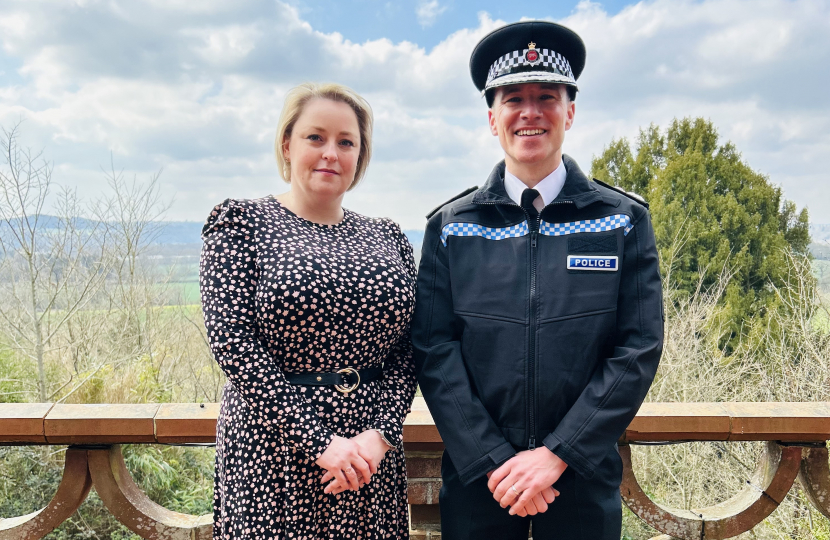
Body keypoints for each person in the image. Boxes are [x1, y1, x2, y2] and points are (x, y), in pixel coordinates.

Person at [412, 21, 664, 540]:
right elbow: (434, 348)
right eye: (513, 99)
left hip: (581, 481)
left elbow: (637, 346)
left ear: (569, 111)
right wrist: (495, 460)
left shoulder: (623, 220)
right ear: (492, 117)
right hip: (481, 482)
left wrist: (557, 454)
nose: (530, 112)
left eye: (546, 96)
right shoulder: (452, 226)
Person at [200, 82, 417, 539]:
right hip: (273, 450)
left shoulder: (389, 236)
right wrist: (319, 443)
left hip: (367, 458)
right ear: (286, 144)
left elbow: (411, 348)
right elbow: (232, 342)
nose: (330, 154)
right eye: (315, 137)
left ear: (361, 155)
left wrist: (379, 437)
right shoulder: (241, 222)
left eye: (346, 142)